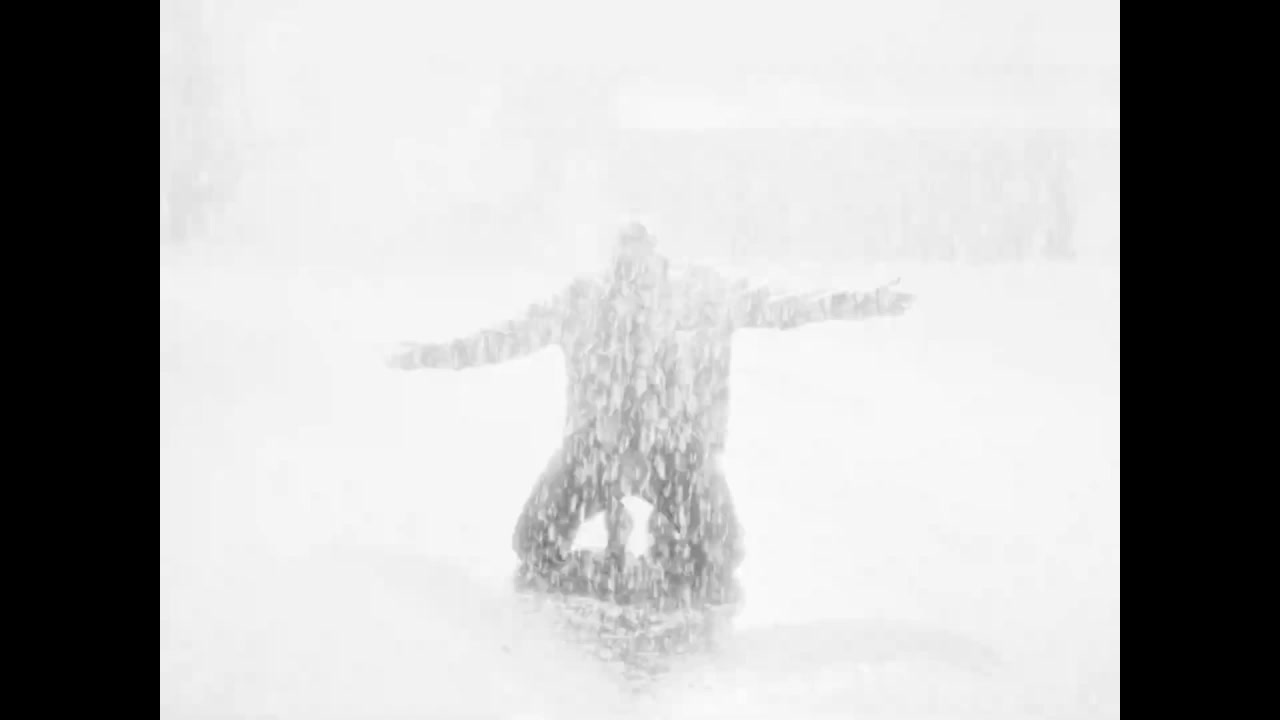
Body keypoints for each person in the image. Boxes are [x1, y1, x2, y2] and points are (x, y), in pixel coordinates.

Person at [386, 222, 915, 608]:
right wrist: (433, 355)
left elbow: (782, 306)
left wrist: (858, 301)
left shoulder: (699, 298)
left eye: (644, 270)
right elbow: (505, 338)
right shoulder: (582, 304)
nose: (635, 287)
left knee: (718, 558)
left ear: (660, 267)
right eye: (625, 270)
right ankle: (631, 560)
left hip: (675, 452)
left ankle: (674, 549)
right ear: (613, 271)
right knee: (534, 545)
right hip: (597, 450)